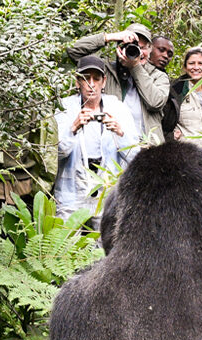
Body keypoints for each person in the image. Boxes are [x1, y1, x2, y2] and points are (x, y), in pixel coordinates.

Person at [53, 56, 139, 227]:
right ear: (78, 82)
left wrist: (120, 133)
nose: (91, 84)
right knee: (65, 243)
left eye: (96, 79)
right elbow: (55, 154)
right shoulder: (65, 108)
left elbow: (134, 156)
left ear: (104, 81)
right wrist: (73, 128)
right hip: (72, 189)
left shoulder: (118, 108)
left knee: (104, 245)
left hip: (106, 188)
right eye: (85, 78)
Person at [67, 23, 170, 145]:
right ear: (120, 48)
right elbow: (73, 51)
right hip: (111, 148)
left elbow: (155, 102)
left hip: (147, 150)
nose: (139, 52)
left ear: (150, 50)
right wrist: (109, 37)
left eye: (143, 48)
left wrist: (135, 67)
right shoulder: (105, 71)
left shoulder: (158, 76)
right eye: (133, 47)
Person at [149, 35, 180, 141]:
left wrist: (169, 136)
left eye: (169, 54)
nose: (165, 56)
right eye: (161, 50)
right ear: (149, 48)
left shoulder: (167, 83)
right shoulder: (135, 73)